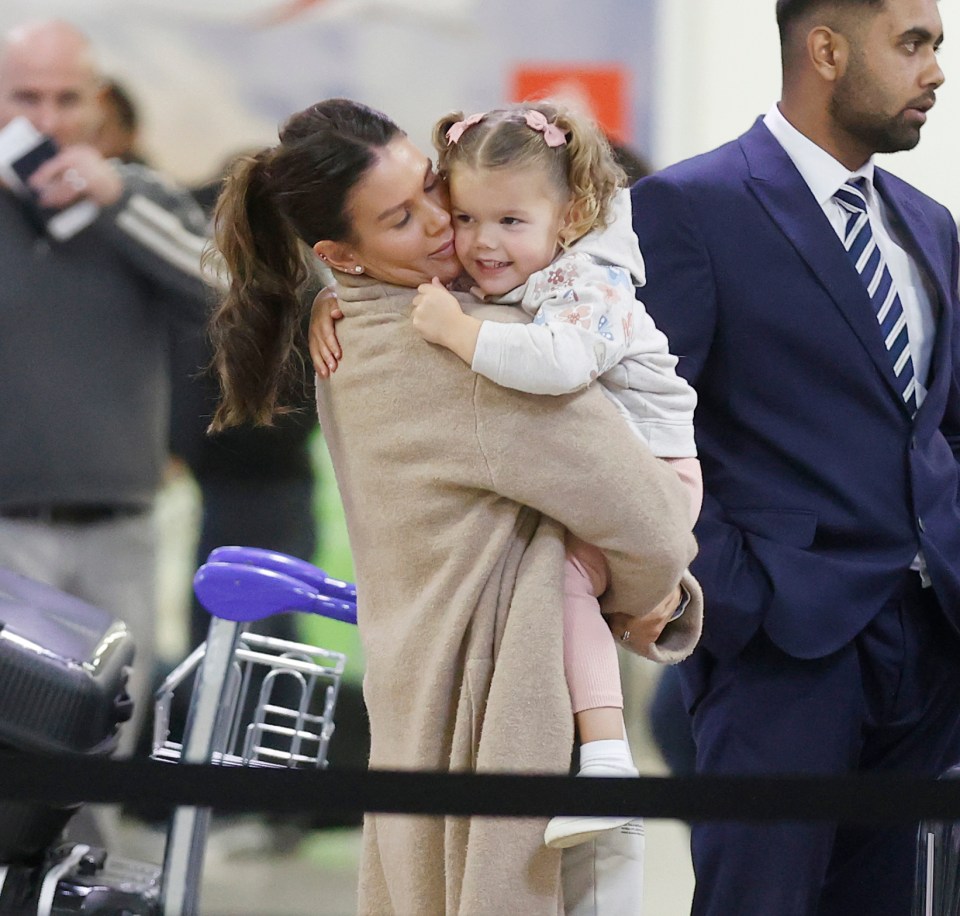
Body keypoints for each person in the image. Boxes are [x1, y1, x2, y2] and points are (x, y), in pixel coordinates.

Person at [207, 97, 702, 914]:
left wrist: (331, 293)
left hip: (421, 711)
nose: (446, 226)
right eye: (402, 218)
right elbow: (646, 517)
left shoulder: (363, 325)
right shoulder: (455, 350)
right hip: (501, 719)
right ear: (342, 252)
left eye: (433, 189)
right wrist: (662, 595)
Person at [630, 0, 960, 913]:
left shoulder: (928, 225)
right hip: (781, 644)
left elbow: (944, 424)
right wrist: (738, 596)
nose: (936, 71)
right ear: (825, 48)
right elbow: (642, 434)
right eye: (914, 45)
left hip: (928, 643)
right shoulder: (690, 207)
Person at [396, 101, 702, 852]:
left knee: (561, 579)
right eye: (466, 219)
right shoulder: (519, 278)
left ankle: (605, 760)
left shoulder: (590, 284)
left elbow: (558, 364)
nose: (481, 243)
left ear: (568, 217)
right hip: (592, 484)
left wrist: (455, 331)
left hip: (656, 475)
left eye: (509, 221)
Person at [0, 19, 211, 759]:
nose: (48, 120)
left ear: (96, 104)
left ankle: (81, 877)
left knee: (106, 747)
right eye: (26, 97)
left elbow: (229, 297)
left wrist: (120, 203)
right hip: (5, 531)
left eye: (66, 98)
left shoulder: (142, 197)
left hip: (120, 526)